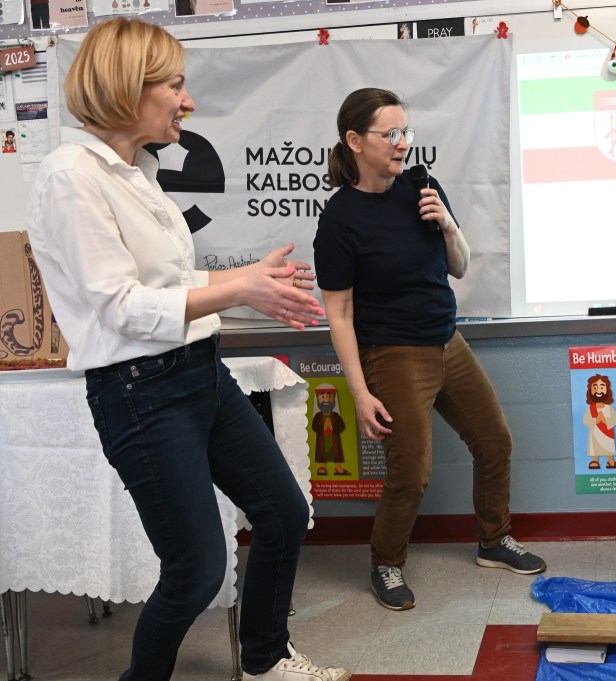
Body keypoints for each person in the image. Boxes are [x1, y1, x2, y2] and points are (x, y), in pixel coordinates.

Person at [25, 18, 347, 681]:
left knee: (283, 513)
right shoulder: (71, 176)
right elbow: (121, 306)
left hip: (201, 372)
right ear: (126, 86)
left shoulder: (138, 173)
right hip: (140, 391)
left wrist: (246, 281)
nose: (188, 101)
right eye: (175, 85)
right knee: (196, 570)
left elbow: (167, 284)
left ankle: (264, 660)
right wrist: (240, 289)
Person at [313, 87, 546, 612]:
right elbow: (339, 314)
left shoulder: (422, 187)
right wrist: (359, 392)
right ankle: (386, 562)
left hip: (447, 340)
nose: (403, 143)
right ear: (355, 141)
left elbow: (458, 266)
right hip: (393, 355)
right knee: (411, 474)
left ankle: (493, 541)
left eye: (406, 132)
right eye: (390, 133)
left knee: (495, 443)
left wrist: (447, 224)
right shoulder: (340, 218)